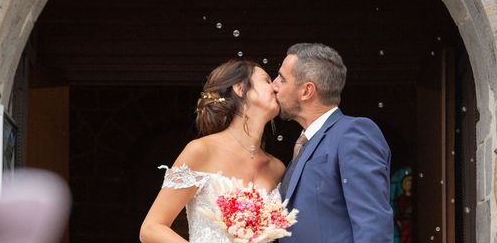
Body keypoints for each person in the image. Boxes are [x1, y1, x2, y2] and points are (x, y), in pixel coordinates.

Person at [140, 59, 285, 243]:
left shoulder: (276, 168)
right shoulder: (201, 151)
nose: (275, 87)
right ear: (240, 89)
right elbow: (151, 228)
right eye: (266, 80)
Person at [272, 43, 393, 242]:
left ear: (306, 91)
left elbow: (372, 226)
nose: (274, 85)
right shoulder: (303, 143)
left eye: (282, 79)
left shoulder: (353, 133)